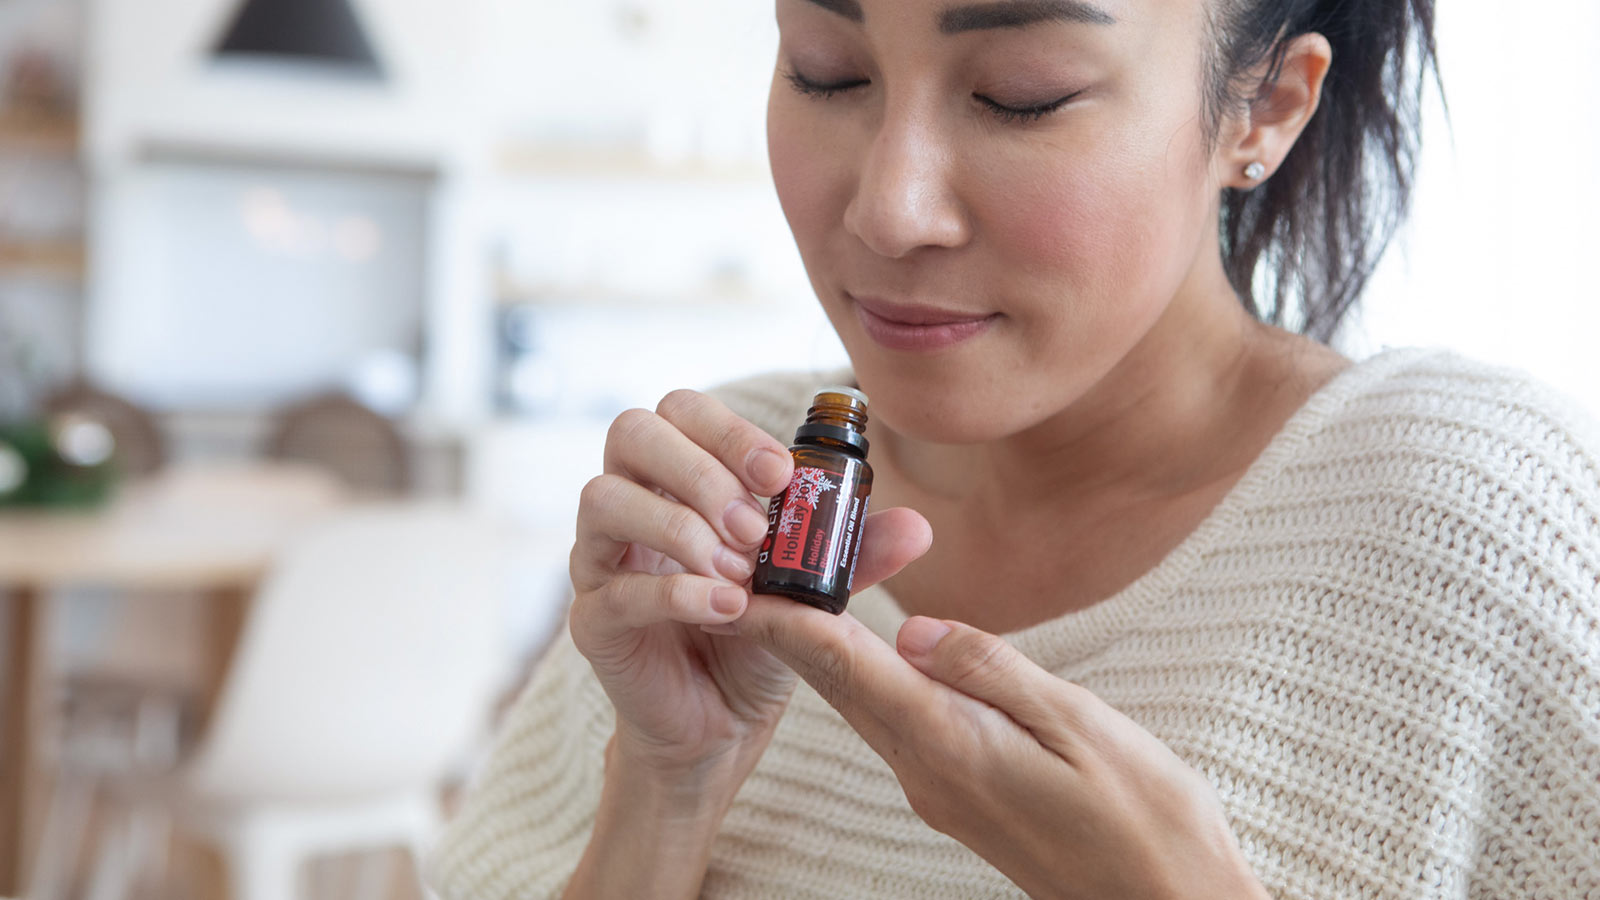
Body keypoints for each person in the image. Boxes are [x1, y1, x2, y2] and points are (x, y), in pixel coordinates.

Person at [430, 0, 1600, 896]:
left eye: (1022, 95)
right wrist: (664, 792)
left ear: (1265, 109)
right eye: (826, 71)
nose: (890, 209)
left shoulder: (1483, 514)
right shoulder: (726, 486)